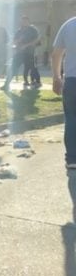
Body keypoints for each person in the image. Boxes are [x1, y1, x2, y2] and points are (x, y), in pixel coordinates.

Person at [52, 16, 76, 222]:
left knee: (71, 120)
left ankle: (72, 161)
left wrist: (56, 76)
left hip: (72, 81)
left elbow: (57, 53)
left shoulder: (69, 25)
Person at [1, 16, 41, 91]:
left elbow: (36, 40)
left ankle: (37, 82)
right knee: (13, 67)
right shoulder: (19, 31)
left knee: (32, 68)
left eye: (25, 21)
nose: (24, 23)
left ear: (29, 22)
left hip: (29, 52)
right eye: (22, 21)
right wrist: (16, 42)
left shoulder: (33, 30)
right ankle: (6, 84)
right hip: (19, 53)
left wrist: (26, 45)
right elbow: (14, 41)